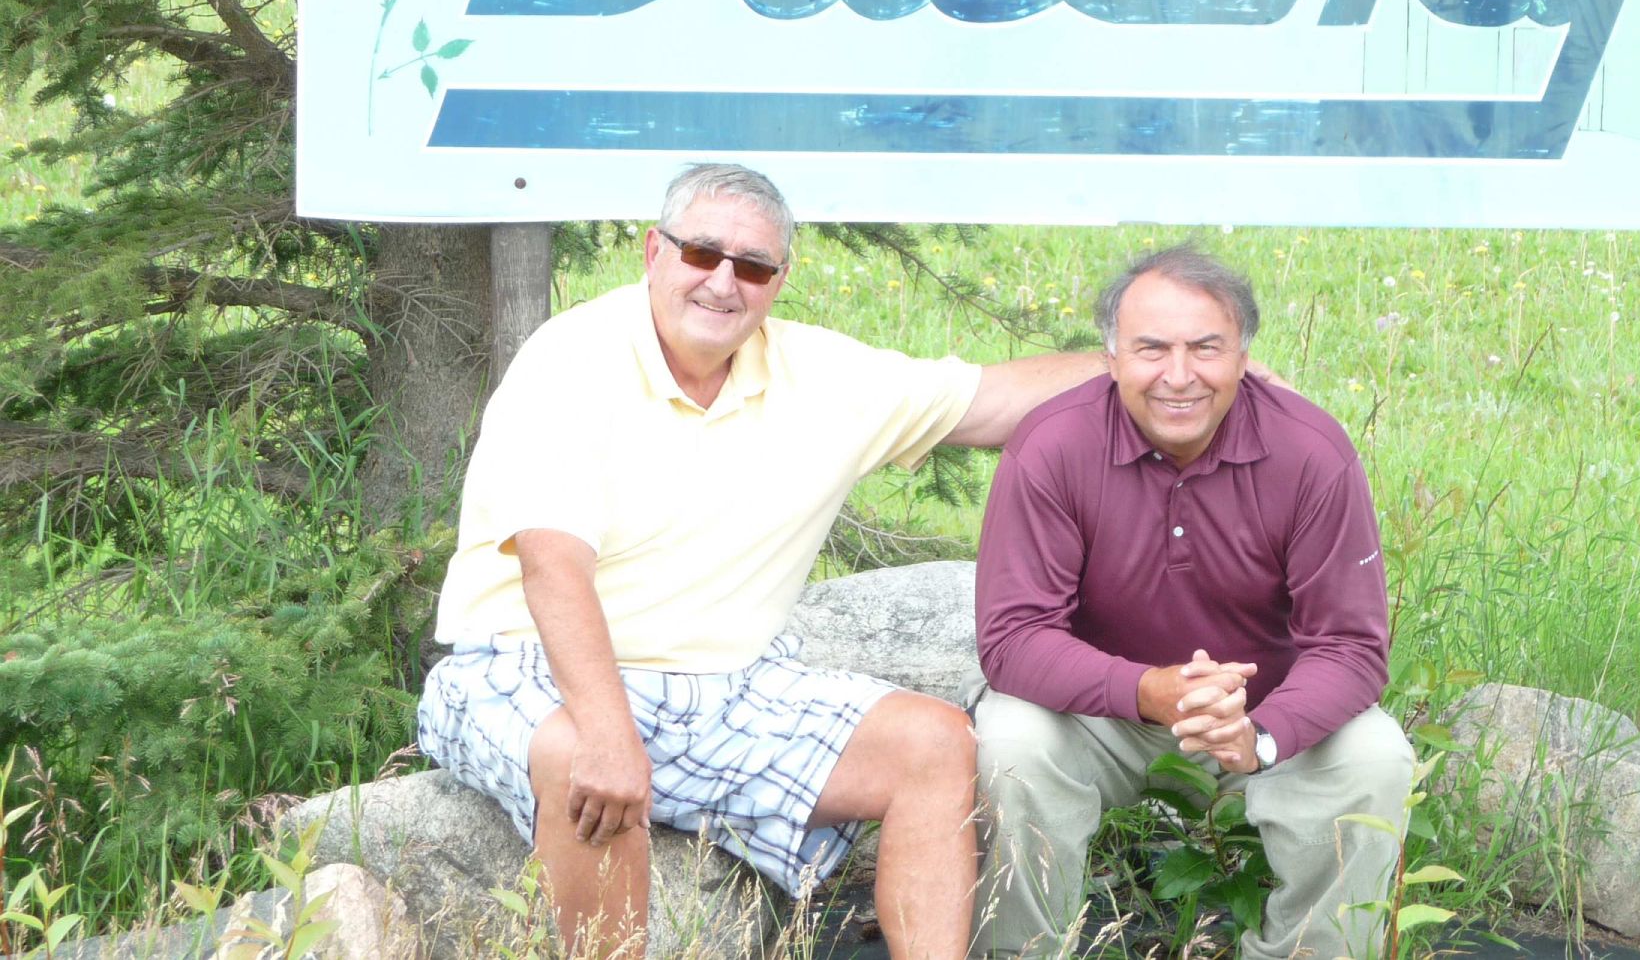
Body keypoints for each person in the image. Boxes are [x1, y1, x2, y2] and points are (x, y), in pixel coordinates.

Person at [418, 162, 1103, 960]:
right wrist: (609, 737)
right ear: (653, 251)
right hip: (528, 665)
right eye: (701, 253)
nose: (722, 282)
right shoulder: (571, 360)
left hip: (728, 687)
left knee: (935, 742)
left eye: (751, 266)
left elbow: (997, 399)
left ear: (780, 280)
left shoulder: (821, 375)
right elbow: (552, 569)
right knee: (581, 760)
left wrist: (1169, 372)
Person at [971, 245, 1415, 960]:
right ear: (1111, 358)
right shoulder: (1051, 445)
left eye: (1205, 348)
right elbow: (1014, 638)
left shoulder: (1311, 452)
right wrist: (1149, 690)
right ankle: (1021, 953)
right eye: (1152, 349)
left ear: (1243, 356)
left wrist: (1260, 735)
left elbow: (1353, 647)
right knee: (1011, 741)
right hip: (1103, 714)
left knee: (1375, 757)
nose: (1179, 376)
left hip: (1261, 716)